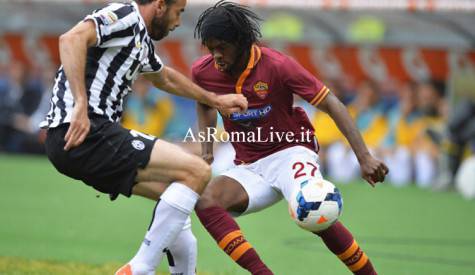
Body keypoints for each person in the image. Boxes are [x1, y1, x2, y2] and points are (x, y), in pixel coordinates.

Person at [39, 1, 247, 275]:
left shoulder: (140, 41)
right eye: (179, 12)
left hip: (83, 139)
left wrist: (215, 100)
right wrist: (80, 103)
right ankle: (141, 268)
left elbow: (165, 79)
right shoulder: (125, 15)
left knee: (176, 198)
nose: (178, 21)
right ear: (160, 5)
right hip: (87, 131)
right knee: (197, 170)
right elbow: (71, 39)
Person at [191, 1, 388, 274]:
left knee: (315, 211)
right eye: (210, 48)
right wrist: (207, 150)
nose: (216, 55)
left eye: (221, 47)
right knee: (206, 201)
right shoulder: (203, 72)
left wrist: (364, 157)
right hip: (249, 166)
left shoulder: (278, 66)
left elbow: (333, 104)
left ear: (241, 41)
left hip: (291, 152)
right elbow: (204, 102)